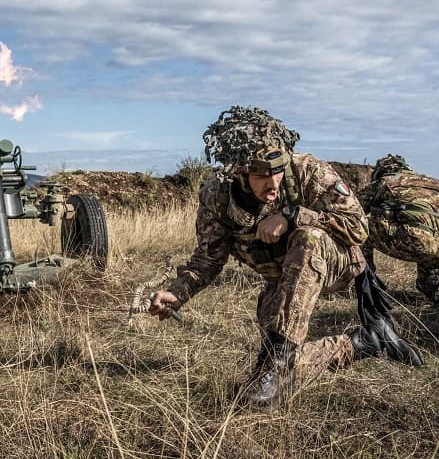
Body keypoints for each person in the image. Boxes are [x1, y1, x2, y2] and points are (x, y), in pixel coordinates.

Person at [149, 106, 423, 409]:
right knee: (283, 362)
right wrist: (176, 293)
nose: (273, 182)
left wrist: (293, 216)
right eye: (260, 175)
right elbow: (208, 259)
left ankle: (277, 365)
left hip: (337, 262)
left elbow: (358, 228)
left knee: (308, 239)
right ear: (237, 172)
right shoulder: (217, 198)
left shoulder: (307, 171)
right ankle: (364, 343)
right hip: (284, 281)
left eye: (277, 170)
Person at [360, 154, 439, 306]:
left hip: (417, 242)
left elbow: (354, 210)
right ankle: (435, 288)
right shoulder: (437, 184)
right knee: (427, 237)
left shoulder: (385, 182)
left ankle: (367, 281)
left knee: (359, 227)